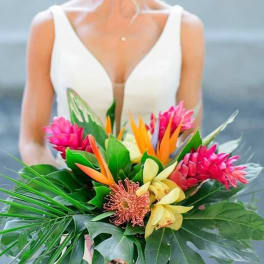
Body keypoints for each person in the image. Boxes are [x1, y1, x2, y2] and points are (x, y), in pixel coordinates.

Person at [18, 0, 205, 262]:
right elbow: (32, 141)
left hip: (154, 223)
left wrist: (149, 211)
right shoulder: (50, 26)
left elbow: (190, 143)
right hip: (73, 219)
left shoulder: (185, 28)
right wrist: (74, 207)